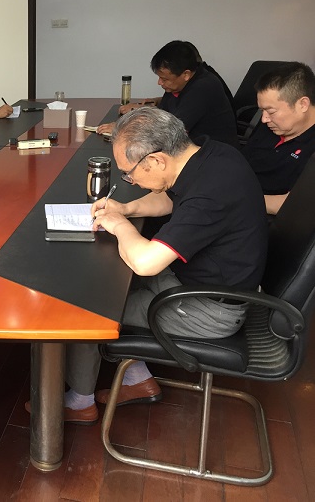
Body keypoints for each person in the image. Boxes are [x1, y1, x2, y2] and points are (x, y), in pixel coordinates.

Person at [52, 108, 267, 424]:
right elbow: (171, 199)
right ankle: (135, 378)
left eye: (129, 173)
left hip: (208, 309)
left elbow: (145, 263)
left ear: (156, 161)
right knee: (108, 281)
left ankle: (80, 402)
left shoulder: (211, 194)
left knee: (90, 307)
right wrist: (126, 208)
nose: (131, 180)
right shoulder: (212, 156)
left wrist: (119, 224)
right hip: (196, 280)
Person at [98, 41, 238, 147]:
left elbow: (170, 130)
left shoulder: (203, 87)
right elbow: (162, 115)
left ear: (186, 74)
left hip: (213, 156)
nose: (159, 83)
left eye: (164, 79)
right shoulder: (178, 86)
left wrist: (123, 128)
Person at [241, 62, 315, 214]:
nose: (264, 119)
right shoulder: (272, 125)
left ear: (303, 104)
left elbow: (294, 204)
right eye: (262, 111)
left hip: (259, 214)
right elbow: (243, 162)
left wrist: (234, 198)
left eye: (271, 111)